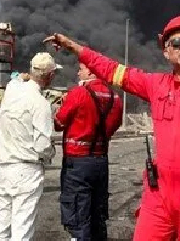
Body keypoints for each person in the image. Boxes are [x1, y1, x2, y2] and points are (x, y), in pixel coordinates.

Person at [44, 16, 180, 240]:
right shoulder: (155, 85)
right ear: (166, 52)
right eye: (176, 42)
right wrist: (73, 47)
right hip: (159, 192)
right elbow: (113, 70)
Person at [0, 52, 62, 241]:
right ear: (50, 76)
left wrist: (24, 76)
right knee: (22, 227)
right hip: (27, 169)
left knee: (1, 224)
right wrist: (51, 151)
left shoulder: (12, 89)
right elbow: (43, 146)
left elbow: (17, 78)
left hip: (5, 167)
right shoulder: (40, 104)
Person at [54, 62, 124, 240]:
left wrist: (61, 106)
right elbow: (115, 125)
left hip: (77, 162)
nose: (78, 73)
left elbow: (59, 122)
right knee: (97, 213)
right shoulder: (115, 98)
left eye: (81, 69)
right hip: (100, 161)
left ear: (91, 71)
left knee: (79, 215)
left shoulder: (78, 93)